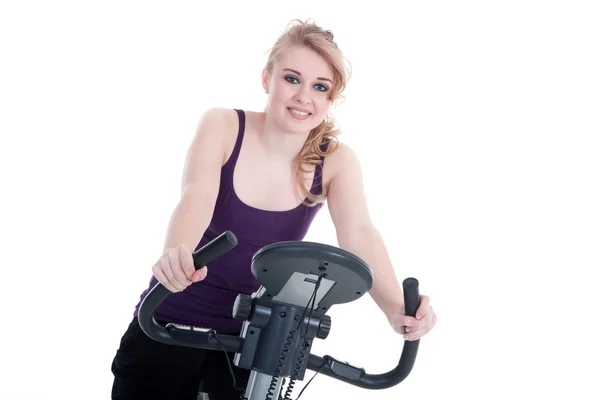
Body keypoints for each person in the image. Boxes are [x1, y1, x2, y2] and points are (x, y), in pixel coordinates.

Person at [110, 19, 437, 400]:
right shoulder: (223, 125)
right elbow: (195, 198)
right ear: (267, 79)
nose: (304, 96)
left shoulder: (336, 161)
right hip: (168, 323)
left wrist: (397, 308)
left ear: (331, 99)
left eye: (320, 87)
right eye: (292, 78)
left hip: (250, 343)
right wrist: (176, 256)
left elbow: (360, 234)